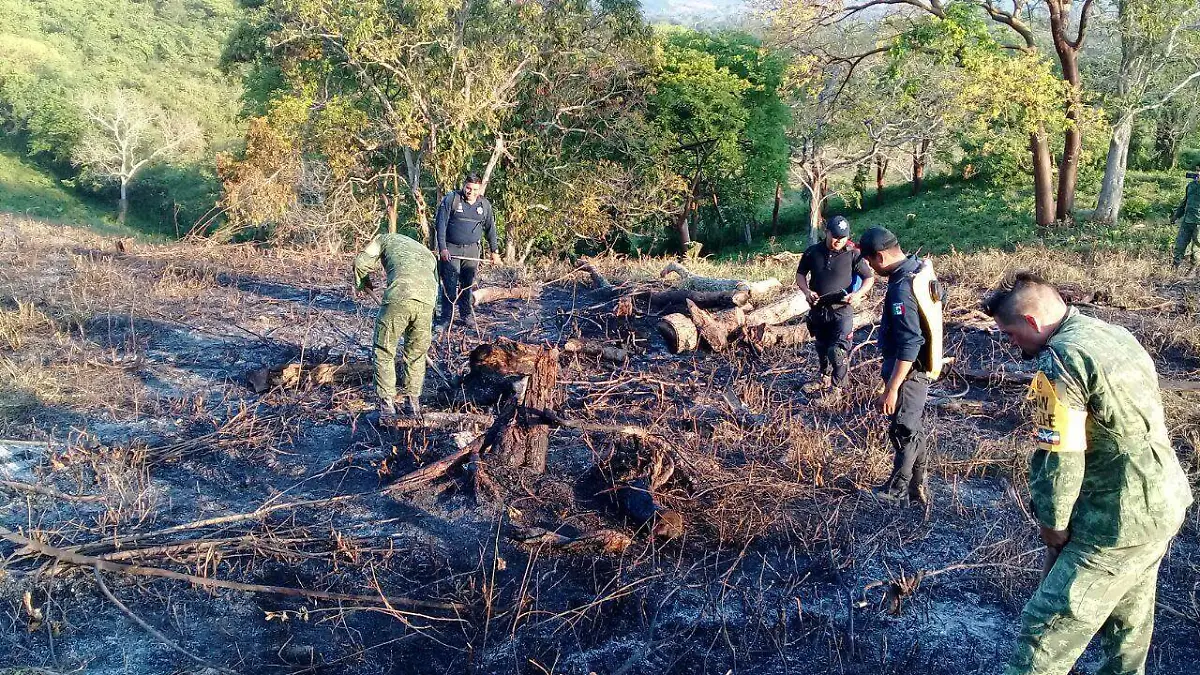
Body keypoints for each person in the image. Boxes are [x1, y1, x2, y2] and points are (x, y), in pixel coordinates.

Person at [983, 272, 1192, 675]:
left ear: (1031, 322)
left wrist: (1054, 523)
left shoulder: (1062, 358)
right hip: (1162, 503)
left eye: (1010, 335)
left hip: (1114, 523)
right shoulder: (1112, 334)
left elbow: (1060, 453)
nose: (1011, 346)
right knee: (1127, 637)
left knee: (1043, 638)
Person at [857, 226, 941, 506]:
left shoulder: (902, 288)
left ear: (880, 257)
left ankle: (897, 492)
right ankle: (918, 488)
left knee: (903, 429)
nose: (869, 267)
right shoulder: (917, 268)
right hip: (914, 369)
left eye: (869, 262)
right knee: (912, 428)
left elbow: (910, 342)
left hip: (909, 371)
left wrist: (892, 388)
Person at [353, 232, 438, 421]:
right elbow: (436, 286)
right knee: (416, 354)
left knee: (384, 350)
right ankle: (413, 404)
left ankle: (387, 406)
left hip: (399, 297)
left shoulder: (383, 239)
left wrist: (362, 283)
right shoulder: (428, 254)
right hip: (427, 304)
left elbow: (360, 263)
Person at [794, 215, 875, 401]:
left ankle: (837, 390)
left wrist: (858, 294)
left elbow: (869, 278)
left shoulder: (853, 254)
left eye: (843, 237)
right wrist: (806, 291)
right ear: (827, 232)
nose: (839, 240)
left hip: (842, 309)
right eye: (835, 236)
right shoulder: (812, 252)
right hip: (818, 309)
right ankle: (824, 378)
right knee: (822, 347)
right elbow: (800, 274)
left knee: (837, 350)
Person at [434, 173, 502, 327]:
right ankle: (446, 319)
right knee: (449, 286)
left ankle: (466, 316)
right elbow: (441, 225)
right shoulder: (452, 199)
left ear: (480, 189)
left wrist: (494, 252)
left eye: (475, 189)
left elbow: (491, 229)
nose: (471, 192)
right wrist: (443, 248)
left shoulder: (484, 205)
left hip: (472, 251)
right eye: (468, 188)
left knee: (467, 285)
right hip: (451, 249)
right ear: (464, 185)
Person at [1171, 165, 1200, 270]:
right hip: (1187, 221)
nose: (1199, 173)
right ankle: (1174, 268)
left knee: (1196, 249)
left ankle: (1193, 270)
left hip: (1198, 224)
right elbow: (1184, 202)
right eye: (1198, 171)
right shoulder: (1191, 186)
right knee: (1179, 245)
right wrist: (1176, 216)